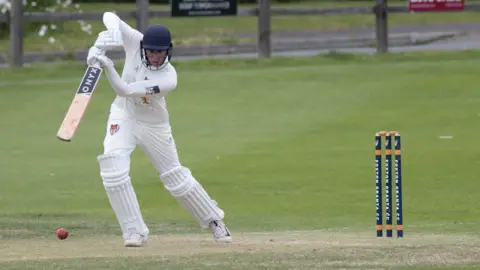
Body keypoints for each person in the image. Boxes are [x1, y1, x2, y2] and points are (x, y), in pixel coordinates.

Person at [86, 12, 232, 247]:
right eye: (151, 51)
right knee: (112, 170)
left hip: (153, 125)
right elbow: (109, 15)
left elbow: (124, 89)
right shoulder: (135, 41)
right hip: (123, 115)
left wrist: (106, 65)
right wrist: (111, 36)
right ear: (144, 47)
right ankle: (134, 231)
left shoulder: (168, 77)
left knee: (175, 177)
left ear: (168, 51)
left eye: (160, 51)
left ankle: (214, 220)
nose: (155, 56)